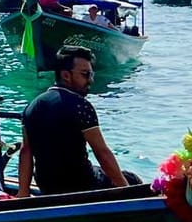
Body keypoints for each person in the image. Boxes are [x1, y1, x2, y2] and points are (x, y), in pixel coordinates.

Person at [15, 47, 130, 197]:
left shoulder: (31, 107)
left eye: (91, 74)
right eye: (85, 74)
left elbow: (26, 151)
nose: (91, 80)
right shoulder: (80, 105)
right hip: (81, 184)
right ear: (65, 75)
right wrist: (125, 188)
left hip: (47, 185)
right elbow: (102, 152)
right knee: (130, 178)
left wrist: (23, 192)